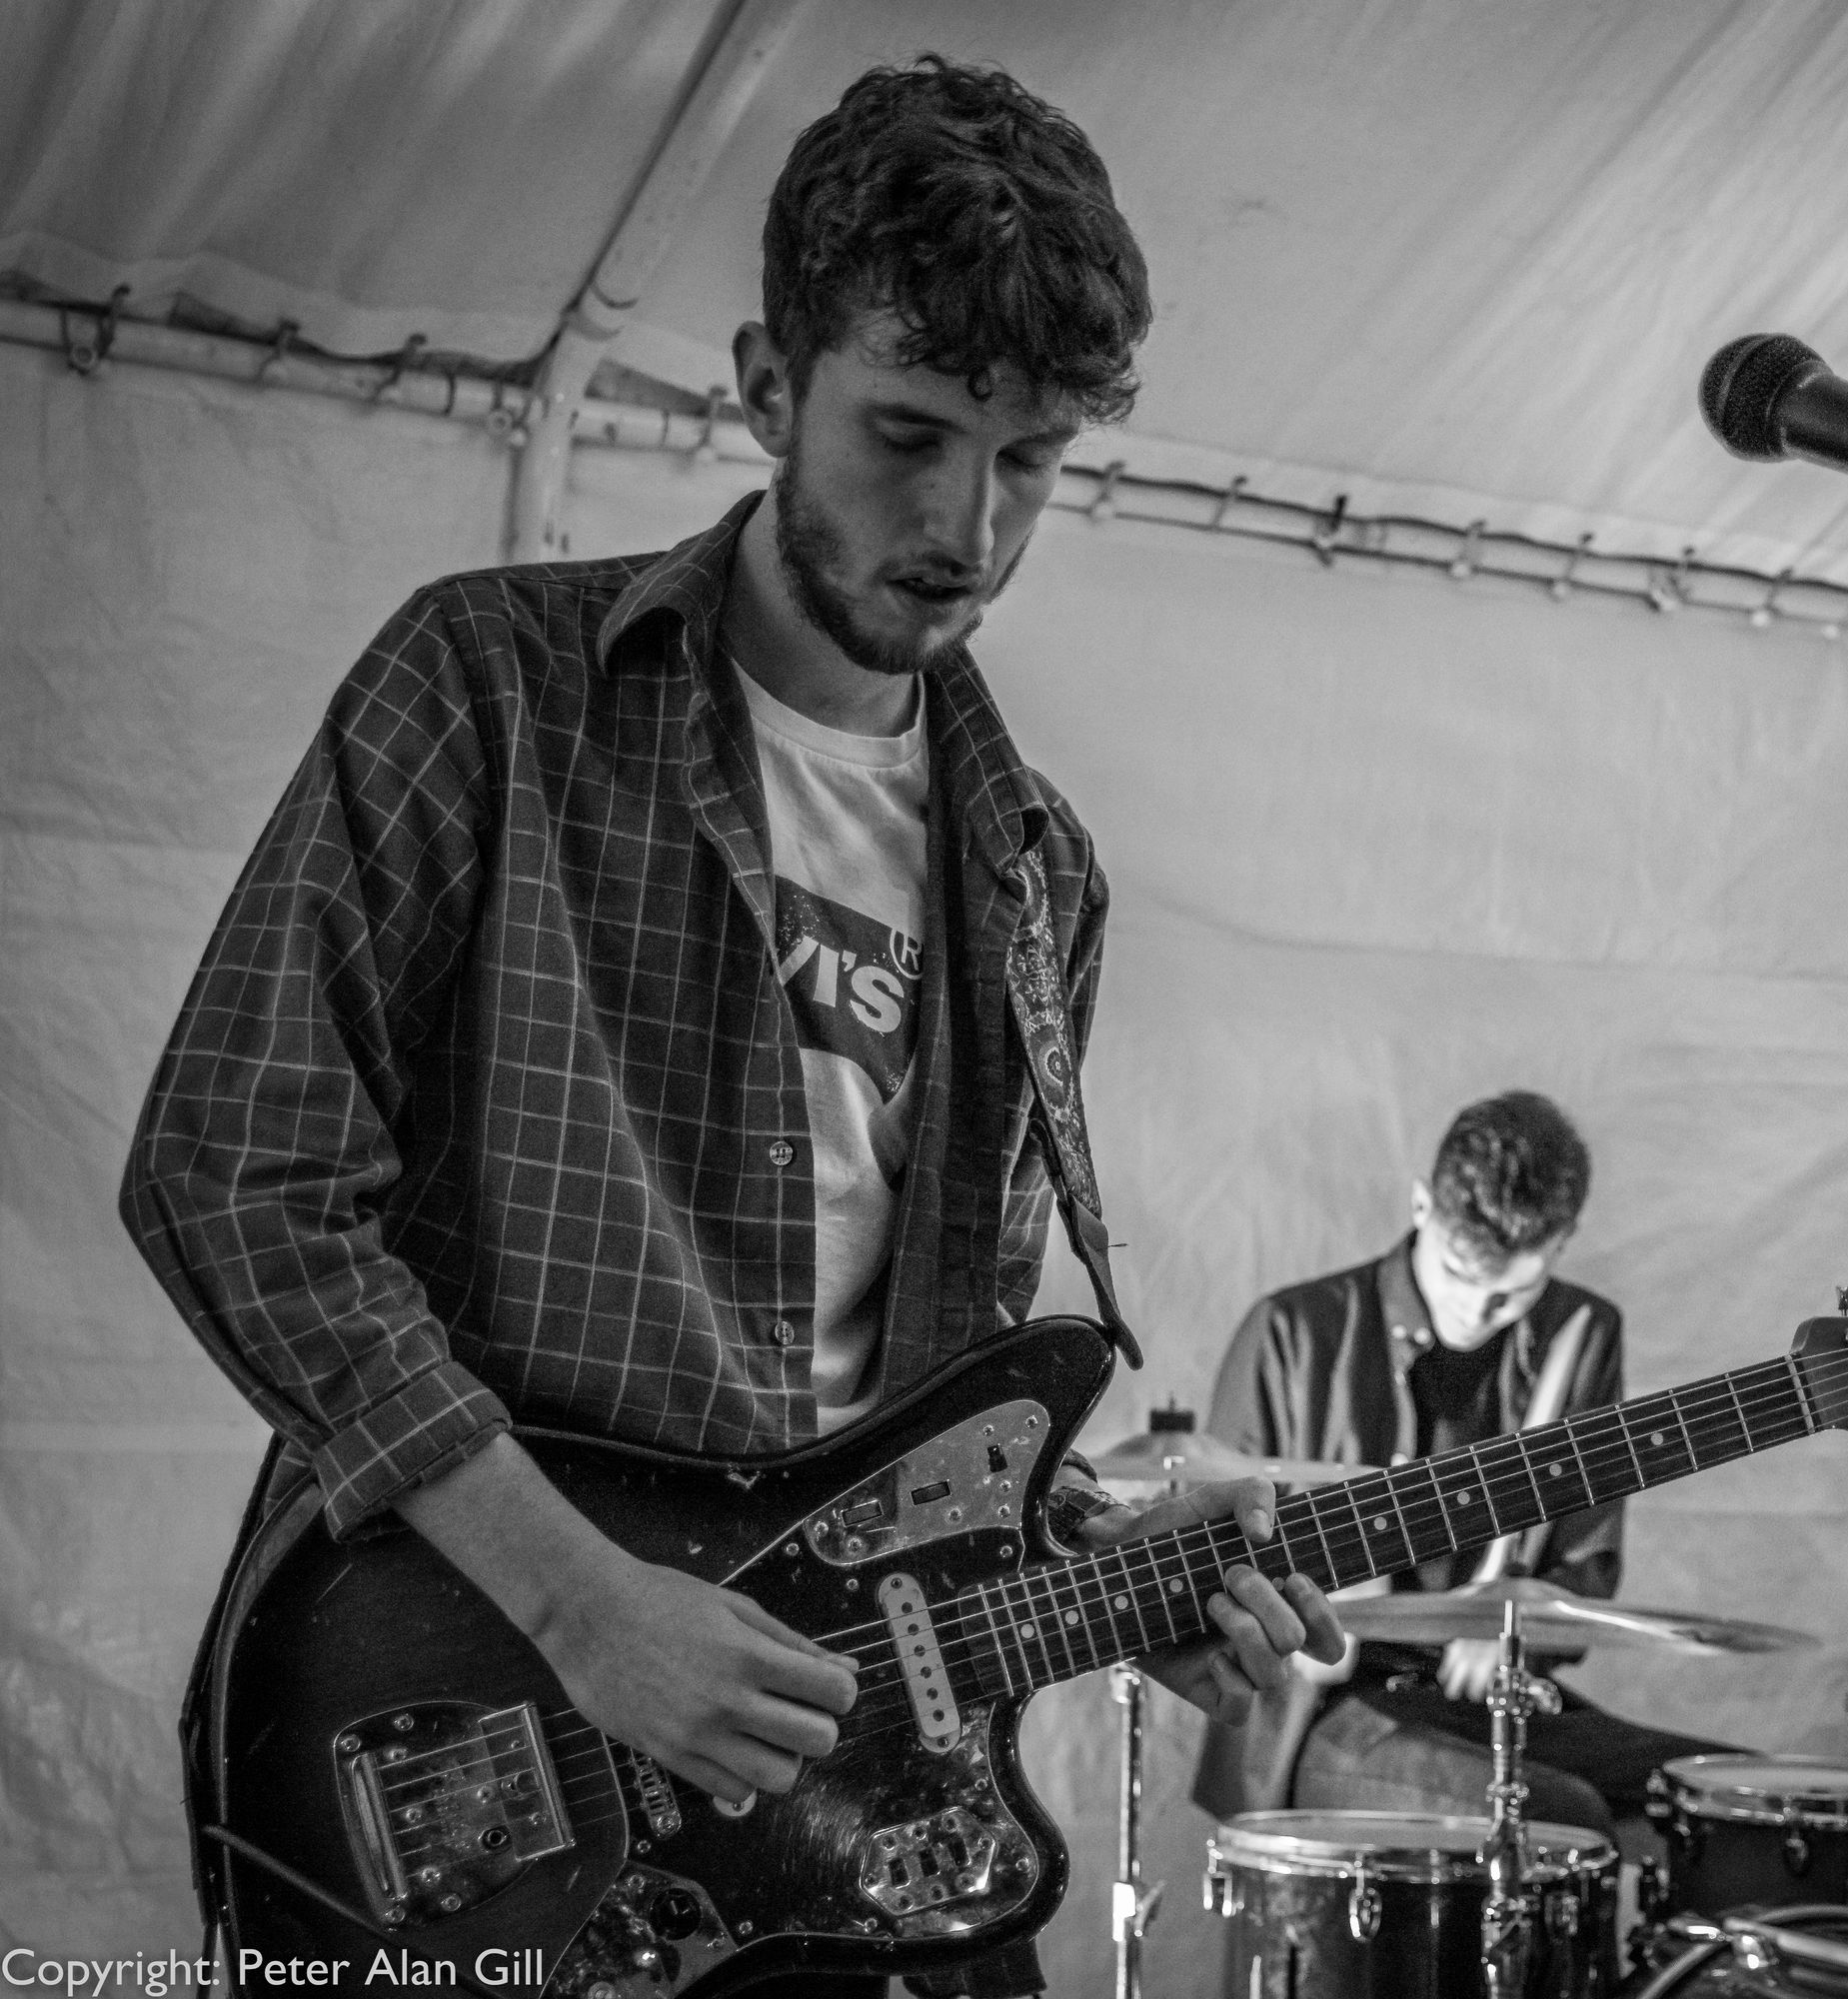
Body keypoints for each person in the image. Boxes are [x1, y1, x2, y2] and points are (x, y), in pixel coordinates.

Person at [121, 56, 1340, 1999]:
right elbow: (235, 1175)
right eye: (907, 432)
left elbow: (924, 1419)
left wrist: (1108, 1579)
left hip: (832, 1833)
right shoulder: (490, 686)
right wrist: (580, 1602)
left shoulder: (1038, 875)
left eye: (1027, 460)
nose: (964, 524)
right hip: (478, 1737)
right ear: (769, 385)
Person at [1192, 1090, 1734, 1846]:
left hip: (1486, 1698)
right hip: (1319, 1712)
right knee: (1556, 1812)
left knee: (1720, 1799)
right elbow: (1202, 1563)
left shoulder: (1582, 1333)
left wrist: (1522, 1609)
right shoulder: (1290, 1333)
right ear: (1420, 1206)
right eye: (1456, 1272)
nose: (1477, 1310)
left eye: (1512, 1293)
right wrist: (1294, 1623)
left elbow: (1587, 1560)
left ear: (1564, 1241)